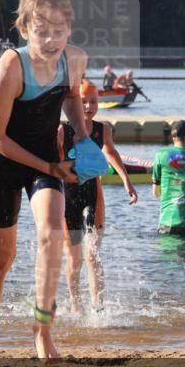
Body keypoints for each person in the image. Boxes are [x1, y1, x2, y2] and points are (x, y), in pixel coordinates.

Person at [0, 0, 92, 367]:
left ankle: (42, 330)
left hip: (46, 162)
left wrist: (82, 132)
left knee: (51, 233)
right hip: (6, 163)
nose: (52, 39)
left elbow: (72, 97)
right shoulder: (8, 68)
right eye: (42, 31)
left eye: (60, 30)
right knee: (2, 258)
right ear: (24, 29)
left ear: (69, 30)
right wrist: (51, 168)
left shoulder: (74, 60)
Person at [57, 81, 138, 313]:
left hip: (94, 198)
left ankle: (98, 307)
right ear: (72, 103)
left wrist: (126, 180)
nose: (88, 106)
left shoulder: (103, 130)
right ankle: (76, 305)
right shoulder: (63, 131)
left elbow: (110, 152)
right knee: (75, 258)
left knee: (92, 255)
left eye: (93, 101)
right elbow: (52, 163)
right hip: (68, 200)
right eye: (83, 101)